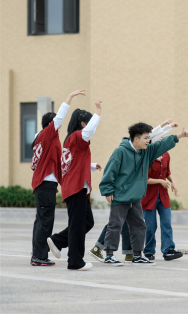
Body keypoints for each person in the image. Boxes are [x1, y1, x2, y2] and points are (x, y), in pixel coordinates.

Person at [99, 120, 188, 266]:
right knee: (116, 225)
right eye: (146, 138)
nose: (149, 141)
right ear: (136, 139)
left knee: (139, 226)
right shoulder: (120, 151)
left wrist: (178, 136)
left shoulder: (146, 152)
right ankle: (109, 255)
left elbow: (161, 144)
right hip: (120, 196)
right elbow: (110, 172)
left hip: (135, 197)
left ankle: (137, 255)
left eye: (149, 138)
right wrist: (107, 190)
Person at [30, 89, 86, 266]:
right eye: (57, 125)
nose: (59, 128)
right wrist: (70, 97)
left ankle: (37, 253)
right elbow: (60, 117)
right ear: (51, 125)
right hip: (45, 184)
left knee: (41, 221)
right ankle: (39, 256)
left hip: (43, 184)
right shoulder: (48, 135)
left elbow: (60, 162)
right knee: (45, 222)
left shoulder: (39, 137)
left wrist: (90, 166)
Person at [47, 99, 103, 271]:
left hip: (77, 187)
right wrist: (98, 111)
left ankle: (58, 241)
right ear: (82, 123)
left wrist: (91, 166)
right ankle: (75, 261)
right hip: (76, 188)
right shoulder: (77, 137)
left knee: (86, 222)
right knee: (78, 224)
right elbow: (90, 131)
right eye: (86, 123)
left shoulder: (71, 141)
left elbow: (74, 165)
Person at [141, 144, 182, 261]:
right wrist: (160, 181)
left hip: (163, 197)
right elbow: (143, 178)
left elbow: (167, 171)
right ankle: (148, 252)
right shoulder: (147, 156)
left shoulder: (166, 155)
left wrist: (173, 183)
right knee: (150, 226)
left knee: (166, 224)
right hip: (149, 198)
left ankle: (168, 250)